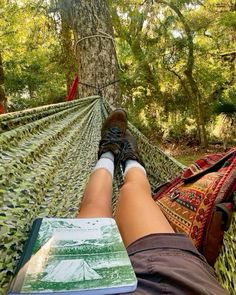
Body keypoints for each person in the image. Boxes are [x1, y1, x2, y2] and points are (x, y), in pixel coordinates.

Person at [77, 109, 227, 295]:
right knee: (134, 191)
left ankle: (108, 153)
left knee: (94, 207)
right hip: (169, 277)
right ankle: (130, 159)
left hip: (79, 280)